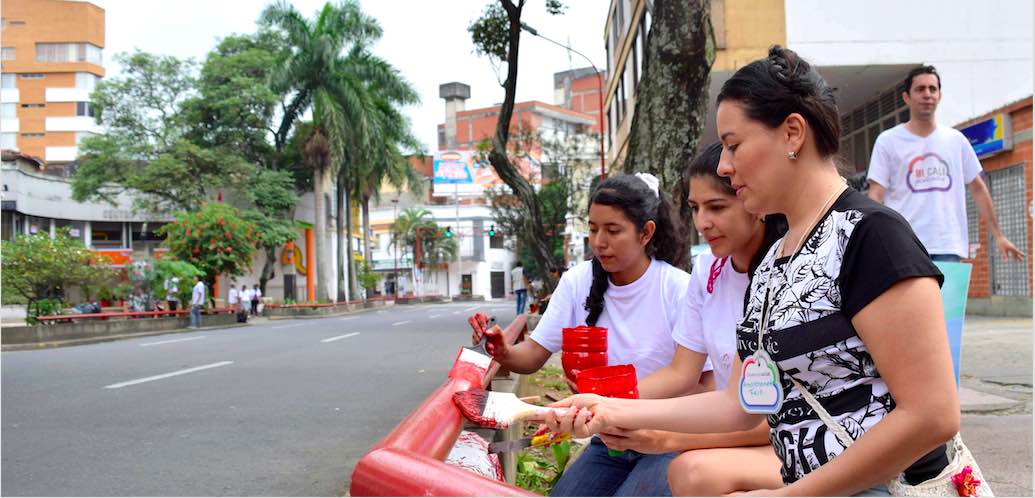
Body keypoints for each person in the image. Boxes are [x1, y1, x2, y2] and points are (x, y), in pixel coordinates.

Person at [546, 46, 960, 497]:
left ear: (792, 133)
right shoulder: (775, 261)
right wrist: (610, 409)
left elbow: (932, 415)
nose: (724, 166)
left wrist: (789, 496)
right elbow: (739, 405)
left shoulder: (870, 236)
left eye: (734, 145)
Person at [471, 173, 690, 497]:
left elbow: (697, 380)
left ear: (646, 232)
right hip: (609, 438)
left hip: (669, 440)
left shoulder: (678, 288)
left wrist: (606, 403)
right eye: (593, 229)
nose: (599, 241)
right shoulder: (577, 282)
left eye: (613, 230)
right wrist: (503, 351)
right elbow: (532, 355)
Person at [867, 65, 1024, 262]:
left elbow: (978, 188)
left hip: (948, 246)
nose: (927, 94)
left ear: (939, 96)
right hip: (903, 244)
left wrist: (998, 235)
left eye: (932, 89)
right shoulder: (888, 141)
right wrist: (874, 237)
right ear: (906, 97)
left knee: (948, 286)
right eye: (920, 89)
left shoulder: (956, 140)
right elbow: (876, 194)